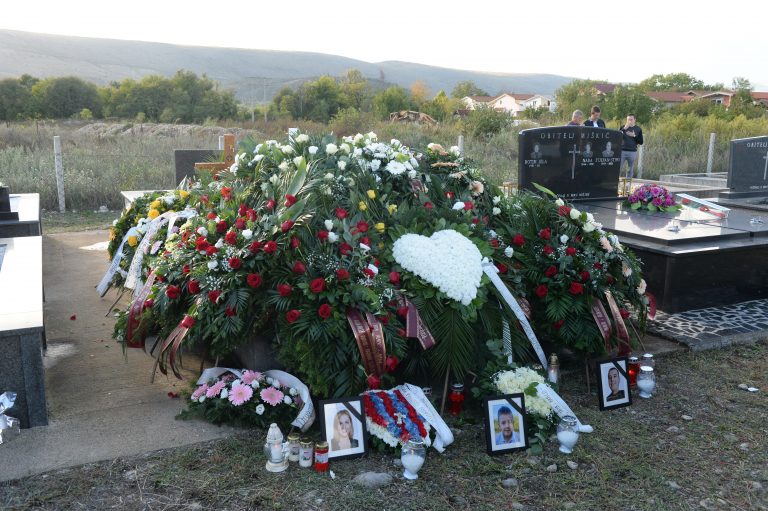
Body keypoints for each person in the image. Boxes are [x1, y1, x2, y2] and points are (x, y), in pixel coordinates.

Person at [620, 114, 644, 178]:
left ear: (634, 120)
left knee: (630, 169)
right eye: (628, 119)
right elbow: (617, 136)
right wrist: (624, 129)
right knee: (618, 168)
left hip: (632, 152)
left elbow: (641, 142)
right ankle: (615, 182)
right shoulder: (623, 127)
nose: (629, 121)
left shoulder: (638, 129)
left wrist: (634, 136)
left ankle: (628, 183)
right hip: (622, 151)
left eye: (631, 119)